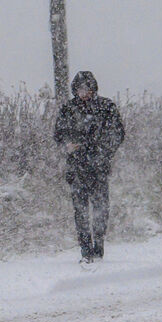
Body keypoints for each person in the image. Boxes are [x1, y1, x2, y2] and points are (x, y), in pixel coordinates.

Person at [53, 70, 125, 263]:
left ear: (93, 89)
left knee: (101, 208)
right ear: (74, 90)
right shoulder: (68, 109)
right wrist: (68, 145)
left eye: (86, 88)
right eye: (79, 89)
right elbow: (58, 134)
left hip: (99, 167)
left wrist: (100, 150)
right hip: (76, 168)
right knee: (80, 210)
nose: (83, 93)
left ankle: (99, 245)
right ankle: (85, 250)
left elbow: (117, 134)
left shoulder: (106, 107)